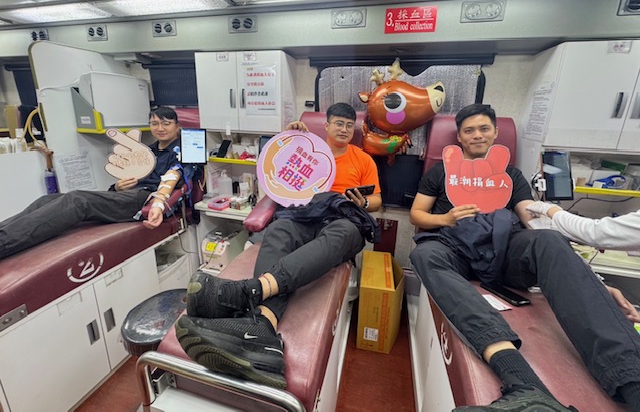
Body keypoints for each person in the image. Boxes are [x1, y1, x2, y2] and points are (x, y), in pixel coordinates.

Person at [409, 104, 640, 411]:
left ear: (495, 133)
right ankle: (521, 380)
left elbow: (532, 220)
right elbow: (417, 215)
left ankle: (632, 380)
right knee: (424, 254)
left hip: (503, 250)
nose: (477, 135)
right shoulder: (441, 172)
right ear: (460, 138)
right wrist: (446, 219)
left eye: (484, 129)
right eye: (469, 131)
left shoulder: (512, 176)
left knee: (548, 240)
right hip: (454, 246)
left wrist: (592, 280)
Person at [176, 102, 382, 389]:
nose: (345, 129)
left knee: (345, 233)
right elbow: (279, 174)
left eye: (350, 125)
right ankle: (263, 327)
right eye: (339, 123)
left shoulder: (364, 160)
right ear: (327, 125)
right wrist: (288, 139)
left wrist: (363, 202)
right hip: (305, 214)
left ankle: (248, 291)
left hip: (342, 218)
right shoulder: (306, 148)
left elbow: (377, 201)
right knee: (278, 229)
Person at [0, 106, 183, 260]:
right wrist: (117, 187)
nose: (160, 128)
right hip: (127, 195)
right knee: (46, 200)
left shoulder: (182, 152)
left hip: (145, 198)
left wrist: (158, 204)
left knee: (77, 201)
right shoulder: (145, 152)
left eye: (166, 123)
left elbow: (175, 176)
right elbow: (121, 183)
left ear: (177, 126)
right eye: (154, 123)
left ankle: (4, 243)